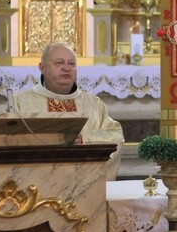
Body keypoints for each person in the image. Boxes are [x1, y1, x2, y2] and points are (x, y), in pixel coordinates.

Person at [13, 43, 124, 180]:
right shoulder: (21, 102)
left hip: (86, 185)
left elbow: (116, 136)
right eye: (59, 63)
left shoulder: (93, 104)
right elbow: (9, 141)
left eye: (71, 64)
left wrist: (85, 139)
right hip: (37, 186)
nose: (66, 68)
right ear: (42, 68)